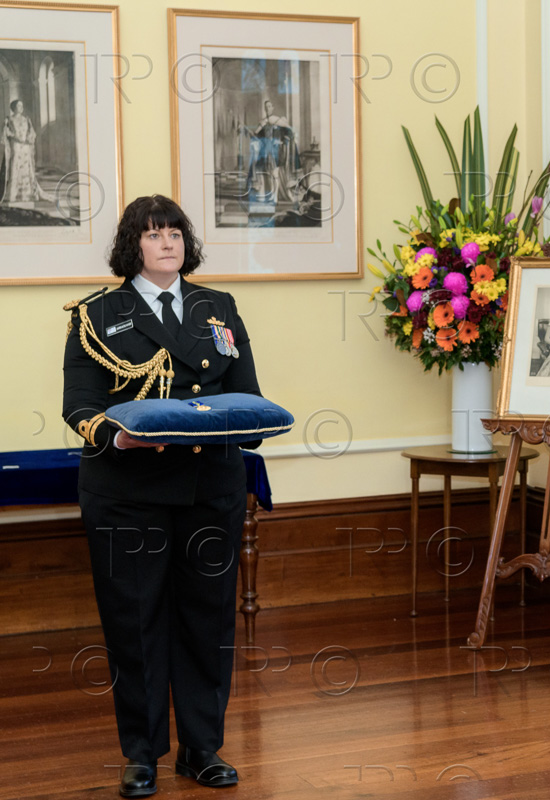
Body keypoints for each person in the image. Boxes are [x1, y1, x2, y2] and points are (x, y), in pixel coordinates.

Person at [62, 195, 260, 797]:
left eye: (175, 232)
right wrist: (119, 436)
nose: (167, 242)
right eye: (153, 234)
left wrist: (250, 424)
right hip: (128, 492)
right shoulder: (97, 314)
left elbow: (246, 393)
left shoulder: (218, 307)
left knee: (208, 619)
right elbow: (79, 406)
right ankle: (143, 753)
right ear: (133, 245)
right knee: (136, 623)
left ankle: (202, 748)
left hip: (209, 487)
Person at [1, 99, 51, 205]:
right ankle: (13, 194)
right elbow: (4, 133)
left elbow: (31, 132)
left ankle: (26, 194)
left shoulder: (26, 119)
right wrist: (14, 136)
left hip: (25, 146)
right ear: (13, 107)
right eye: (19, 106)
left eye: (22, 106)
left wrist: (28, 139)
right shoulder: (9, 119)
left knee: (26, 168)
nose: (21, 108)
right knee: (15, 166)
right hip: (15, 145)